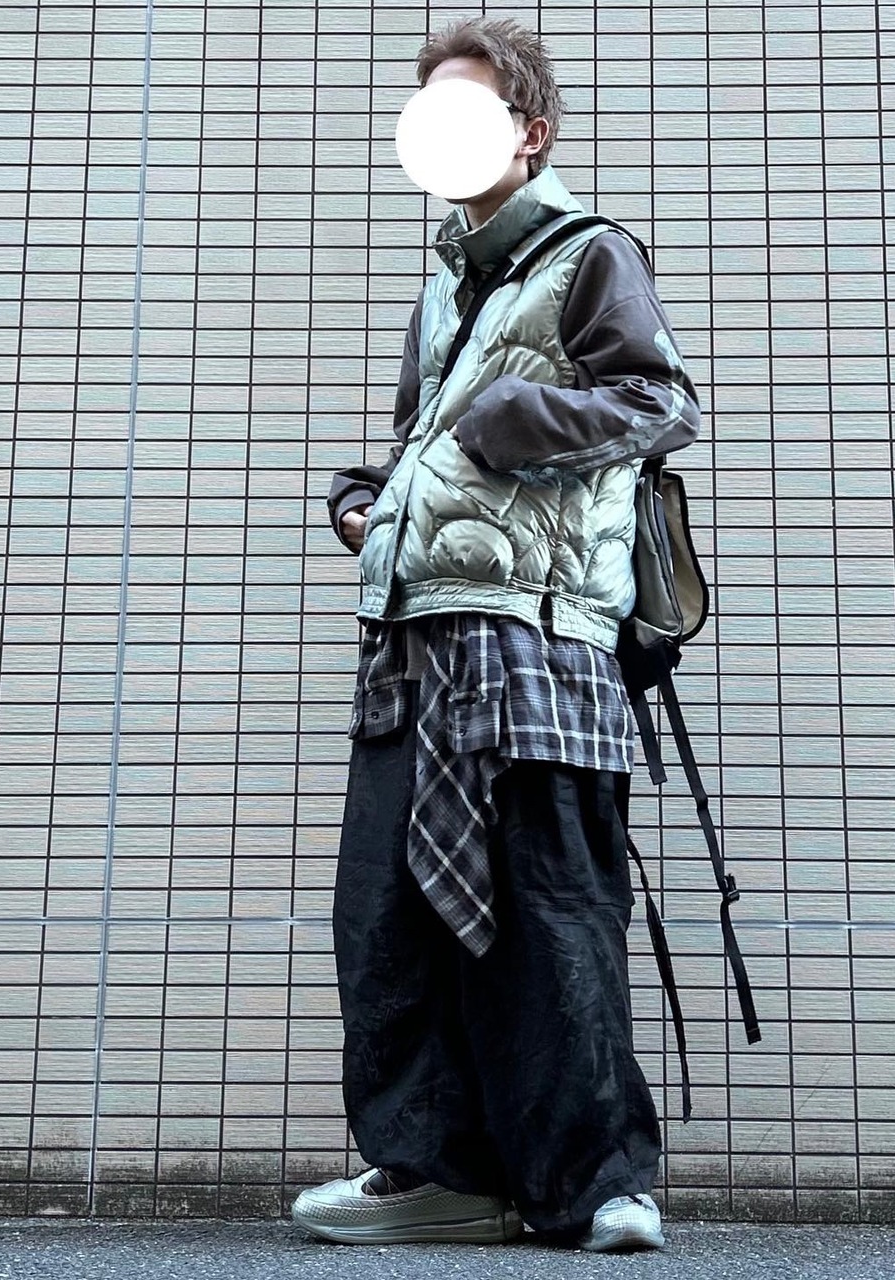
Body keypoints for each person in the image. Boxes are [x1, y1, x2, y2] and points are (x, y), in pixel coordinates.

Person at [291, 15, 702, 1253]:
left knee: (552, 908)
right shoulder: (443, 283)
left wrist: (518, 415)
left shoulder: (588, 253)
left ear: (530, 132)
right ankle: (440, 1173)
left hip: (538, 637)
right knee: (389, 918)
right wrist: (365, 499)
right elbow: (427, 445)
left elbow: (659, 402)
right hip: (412, 634)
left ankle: (600, 1184)